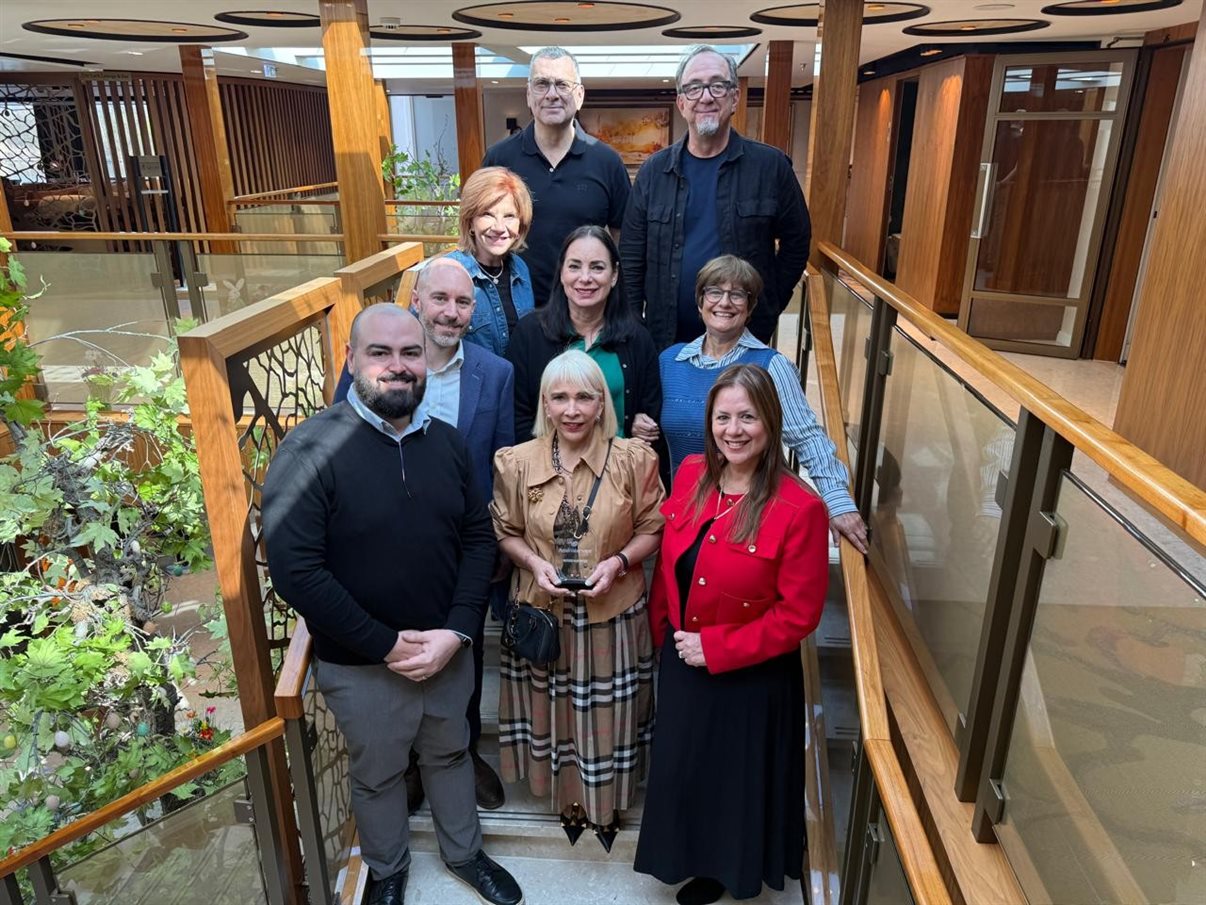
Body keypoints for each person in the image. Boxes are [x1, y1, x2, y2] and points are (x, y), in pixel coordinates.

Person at [263, 304, 522, 905]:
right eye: (381, 353)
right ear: (351, 360)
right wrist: (382, 642)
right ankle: (386, 870)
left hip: (445, 652)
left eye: (411, 353)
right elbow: (296, 572)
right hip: (361, 664)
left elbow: (478, 539)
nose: (398, 367)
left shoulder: (448, 444)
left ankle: (465, 854)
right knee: (378, 775)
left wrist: (457, 633)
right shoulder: (309, 451)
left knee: (451, 753)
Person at [634, 364, 828, 905]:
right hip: (681, 658)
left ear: (770, 423)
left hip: (750, 676)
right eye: (723, 417)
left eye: (747, 417)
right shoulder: (694, 470)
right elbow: (674, 560)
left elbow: (799, 615)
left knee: (732, 786)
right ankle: (688, 857)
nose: (734, 430)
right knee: (685, 770)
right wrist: (661, 635)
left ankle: (726, 870)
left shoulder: (800, 508)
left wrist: (715, 648)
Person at [334, 258, 516, 811]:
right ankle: (409, 760)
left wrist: (499, 538)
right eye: (440, 299)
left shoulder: (495, 373)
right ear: (417, 301)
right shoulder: (377, 367)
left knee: (460, 646)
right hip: (384, 540)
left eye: (463, 303)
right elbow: (342, 436)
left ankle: (460, 747)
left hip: (462, 540)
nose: (451, 312)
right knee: (400, 647)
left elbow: (503, 458)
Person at [490, 350, 665, 851]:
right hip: (543, 612)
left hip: (611, 614)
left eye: (584, 397)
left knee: (609, 716)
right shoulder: (517, 461)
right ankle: (566, 800)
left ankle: (605, 805)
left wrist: (619, 563)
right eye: (559, 397)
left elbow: (654, 526)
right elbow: (506, 531)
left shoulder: (634, 458)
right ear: (544, 404)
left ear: (602, 403)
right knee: (554, 710)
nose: (571, 409)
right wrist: (531, 563)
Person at [660, 255, 868, 552]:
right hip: (686, 508)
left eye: (738, 294)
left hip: (749, 514)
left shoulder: (771, 365)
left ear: (751, 307)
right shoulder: (670, 361)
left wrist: (838, 502)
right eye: (714, 292)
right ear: (700, 301)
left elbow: (807, 437)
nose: (724, 302)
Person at [621, 45, 811, 349]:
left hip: (744, 340)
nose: (706, 97)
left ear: (734, 97)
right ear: (681, 103)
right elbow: (631, 254)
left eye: (717, 85)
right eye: (694, 87)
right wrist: (634, 321)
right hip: (665, 340)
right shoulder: (654, 172)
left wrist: (768, 305)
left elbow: (797, 243)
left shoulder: (770, 167)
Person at [483, 46, 631, 307]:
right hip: (514, 311)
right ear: (529, 95)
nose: (552, 94)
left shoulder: (607, 162)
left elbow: (623, 243)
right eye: (542, 84)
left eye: (562, 84)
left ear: (580, 95)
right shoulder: (499, 159)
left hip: (587, 312)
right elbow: (478, 236)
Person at [506, 225, 661, 447]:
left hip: (616, 474)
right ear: (561, 273)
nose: (585, 278)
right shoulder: (529, 334)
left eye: (597, 268)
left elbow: (649, 414)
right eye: (575, 267)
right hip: (548, 474)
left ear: (614, 275)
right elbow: (517, 417)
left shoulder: (637, 339)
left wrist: (641, 426)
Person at [446, 166, 536, 356]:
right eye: (487, 214)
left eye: (509, 216)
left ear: (520, 225)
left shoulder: (520, 269)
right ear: (470, 221)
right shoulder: (448, 273)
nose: (499, 227)